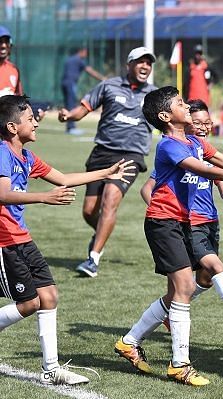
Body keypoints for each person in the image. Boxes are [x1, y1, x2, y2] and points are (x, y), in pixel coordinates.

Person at [113, 86, 223, 386]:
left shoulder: (196, 141)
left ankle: (129, 342)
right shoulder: (169, 146)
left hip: (184, 224)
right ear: (165, 116)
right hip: (163, 222)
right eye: (180, 103)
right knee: (185, 287)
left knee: (178, 293)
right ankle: (180, 365)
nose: (187, 106)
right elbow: (205, 171)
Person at [0, 95, 133, 385]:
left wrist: (107, 172)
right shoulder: (2, 153)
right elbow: (2, 194)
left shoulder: (27, 156)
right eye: (30, 118)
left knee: (49, 296)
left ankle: (51, 368)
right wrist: (43, 198)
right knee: (29, 303)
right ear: (12, 127)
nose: (36, 121)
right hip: (3, 242)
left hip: (21, 238)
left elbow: (64, 178)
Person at [139, 99, 223, 332]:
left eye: (208, 122)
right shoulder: (175, 151)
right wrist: (164, 214)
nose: (203, 127)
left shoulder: (204, 152)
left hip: (211, 220)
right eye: (198, 122)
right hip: (190, 223)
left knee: (201, 280)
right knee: (215, 268)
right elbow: (147, 188)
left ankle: (164, 317)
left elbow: (222, 181)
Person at [57, 47, 158, 278]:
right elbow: (82, 110)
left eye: (148, 63)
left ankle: (93, 259)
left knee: (110, 200)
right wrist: (67, 116)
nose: (145, 67)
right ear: (128, 65)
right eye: (140, 62)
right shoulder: (108, 86)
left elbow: (169, 119)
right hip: (102, 153)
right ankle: (101, 233)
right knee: (89, 211)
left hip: (131, 156)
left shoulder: (154, 95)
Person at [60, 47, 105, 135]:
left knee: (68, 104)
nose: (86, 55)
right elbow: (90, 71)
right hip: (70, 84)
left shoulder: (69, 59)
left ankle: (69, 126)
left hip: (64, 83)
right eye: (85, 53)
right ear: (81, 51)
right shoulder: (79, 60)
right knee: (71, 105)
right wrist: (102, 78)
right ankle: (71, 128)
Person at [0, 25, 22, 97]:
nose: (3, 45)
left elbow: (19, 98)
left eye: (6, 41)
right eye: (0, 41)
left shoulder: (13, 70)